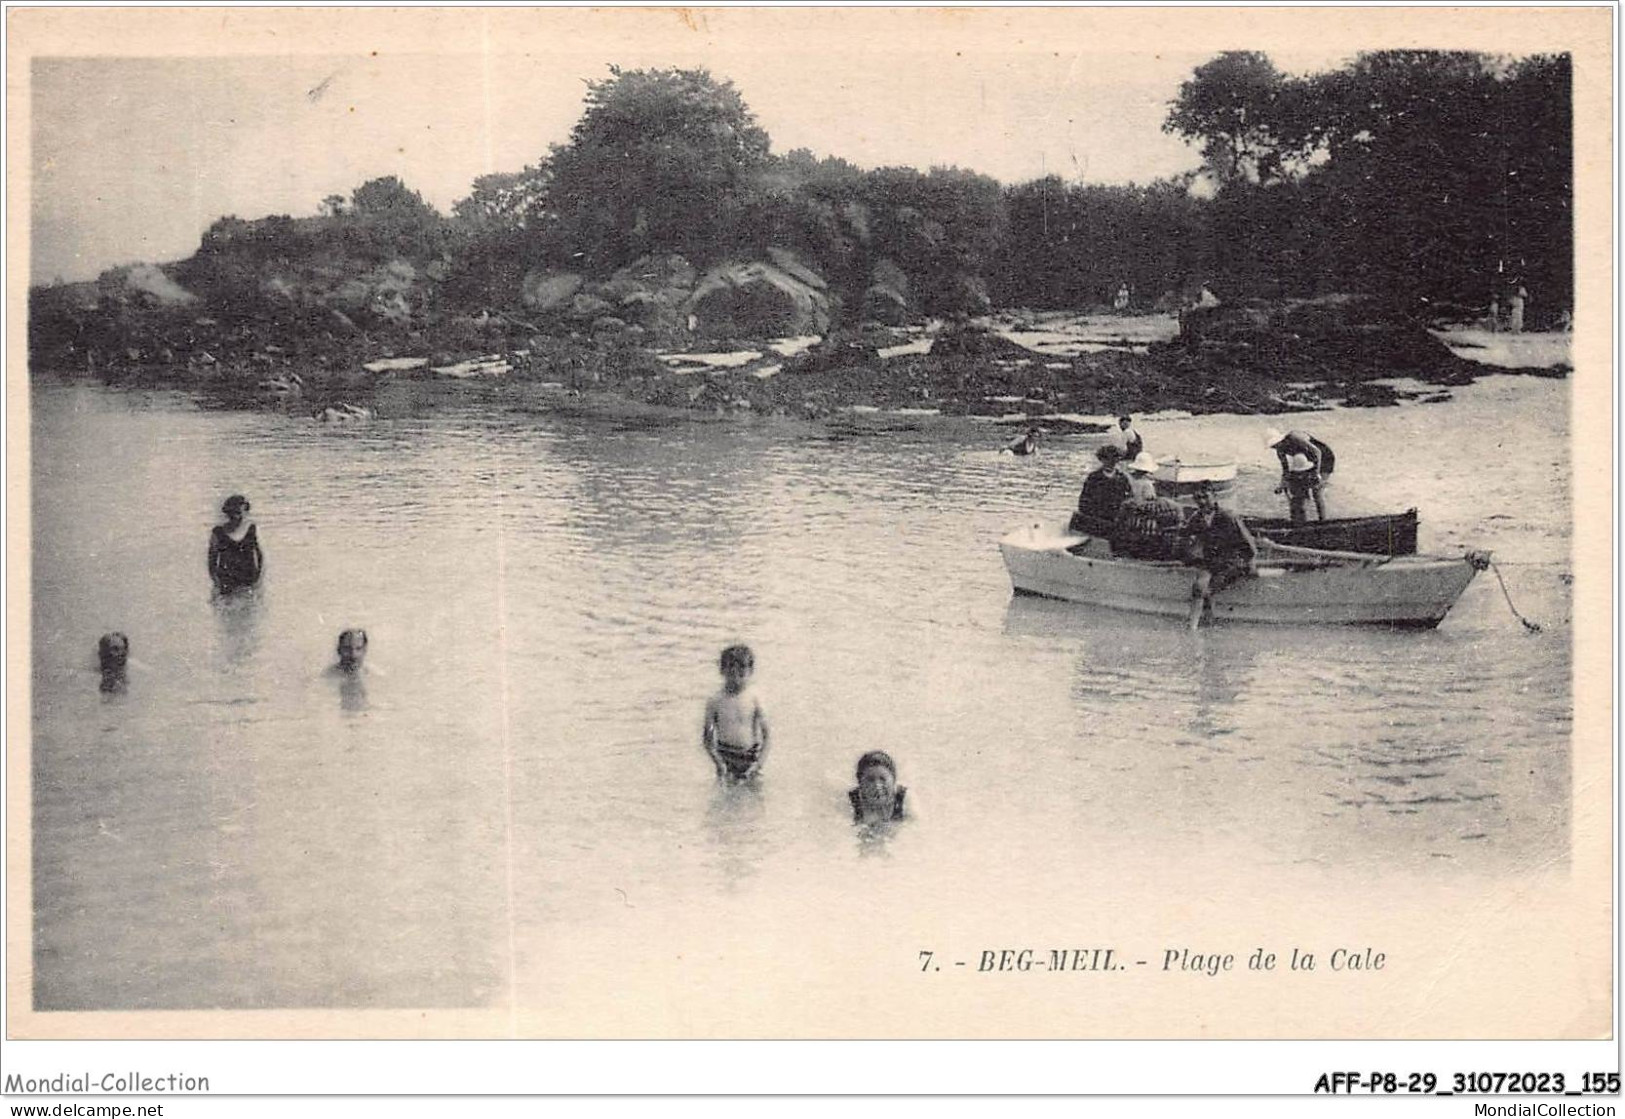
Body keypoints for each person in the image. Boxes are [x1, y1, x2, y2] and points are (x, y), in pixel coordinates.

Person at [1182, 483, 1257, 630]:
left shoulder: (1228, 516)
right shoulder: (1196, 518)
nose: (1202, 501)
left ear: (1214, 497)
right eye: (1198, 498)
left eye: (1205, 497)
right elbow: (1185, 537)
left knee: (1208, 590)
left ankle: (1204, 624)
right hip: (1211, 561)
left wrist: (1251, 564)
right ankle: (1194, 628)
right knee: (1199, 588)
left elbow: (1249, 544)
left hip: (1232, 561)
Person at [702, 644, 770, 782]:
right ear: (722, 671)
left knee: (755, 799)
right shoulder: (715, 701)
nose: (736, 679)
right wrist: (719, 763)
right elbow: (707, 739)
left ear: (750, 671)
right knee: (723, 800)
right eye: (731, 673)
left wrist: (758, 765)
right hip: (725, 756)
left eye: (741, 674)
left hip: (751, 756)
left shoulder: (755, 698)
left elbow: (767, 737)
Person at [1265, 429, 1333, 521]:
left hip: (1324, 457)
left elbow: (1317, 452)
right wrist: (1282, 484)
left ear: (1280, 440)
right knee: (1299, 490)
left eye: (1276, 444)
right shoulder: (1280, 451)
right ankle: (1300, 520)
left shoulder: (1294, 437)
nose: (1275, 447)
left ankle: (1323, 521)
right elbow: (1285, 470)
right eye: (1273, 446)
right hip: (1309, 460)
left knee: (1316, 490)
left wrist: (1316, 474)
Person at [1069, 445, 1133, 536]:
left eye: (1114, 458)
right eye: (1107, 459)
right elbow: (1084, 499)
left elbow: (1128, 496)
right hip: (1096, 514)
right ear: (1102, 460)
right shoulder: (1094, 477)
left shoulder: (1122, 478)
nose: (1111, 462)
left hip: (1114, 516)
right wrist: (1089, 514)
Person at [208, 494, 263, 594]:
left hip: (249, 579)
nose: (237, 517)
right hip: (226, 581)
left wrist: (258, 579)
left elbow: (261, 556)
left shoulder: (252, 529)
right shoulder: (218, 532)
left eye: (240, 512)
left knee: (250, 608)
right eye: (233, 513)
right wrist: (216, 581)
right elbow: (212, 559)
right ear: (228, 513)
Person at [849, 750, 907, 824]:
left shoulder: (905, 801)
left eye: (883, 779)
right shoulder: (851, 803)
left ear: (893, 781)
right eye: (870, 780)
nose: (877, 785)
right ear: (860, 784)